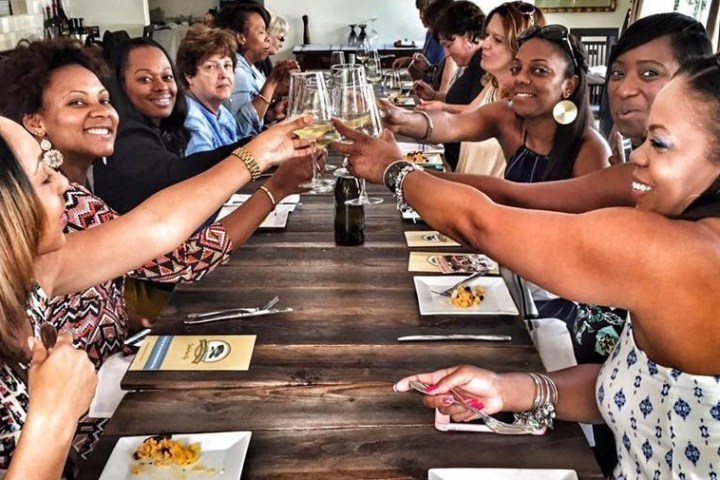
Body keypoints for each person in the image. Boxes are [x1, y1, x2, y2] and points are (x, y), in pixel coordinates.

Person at [341, 52, 720, 480]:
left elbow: (483, 224)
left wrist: (393, 171)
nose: (637, 157)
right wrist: (509, 390)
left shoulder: (686, 254)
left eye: (661, 143)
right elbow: (636, 388)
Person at [0, 37, 317, 462]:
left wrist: (259, 155)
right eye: (44, 174)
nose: (61, 184)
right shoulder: (66, 220)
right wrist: (54, 420)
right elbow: (177, 252)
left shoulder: (35, 277)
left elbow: (156, 226)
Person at [383, 24, 610, 179]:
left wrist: (401, 174)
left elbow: (526, 204)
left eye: (539, 70)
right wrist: (398, 118)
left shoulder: (592, 152)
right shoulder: (506, 116)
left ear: (569, 85)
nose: (520, 78)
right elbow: (452, 124)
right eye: (516, 68)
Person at [454, 1, 545, 177]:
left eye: (497, 40)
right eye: (486, 35)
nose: (485, 44)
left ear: (519, 48)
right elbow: (460, 122)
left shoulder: (524, 104)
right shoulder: (493, 84)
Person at [409, 0, 486, 169]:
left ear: (468, 36)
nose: (447, 53)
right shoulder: (473, 63)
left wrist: (442, 107)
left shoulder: (482, 63)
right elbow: (464, 100)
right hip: (453, 152)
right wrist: (434, 96)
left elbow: (479, 112)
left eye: (449, 45)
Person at [214, 3, 298, 137]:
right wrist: (272, 81)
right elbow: (240, 129)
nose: (268, 38)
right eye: (262, 32)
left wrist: (272, 111)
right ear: (241, 38)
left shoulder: (248, 66)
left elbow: (252, 110)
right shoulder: (237, 71)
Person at [176, 24, 241, 155]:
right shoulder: (190, 120)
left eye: (227, 65)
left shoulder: (220, 110)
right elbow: (206, 171)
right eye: (211, 67)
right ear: (189, 75)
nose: (224, 74)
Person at [392, 0, 446, 85]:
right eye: (419, 11)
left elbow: (441, 82)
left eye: (423, 11)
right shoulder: (429, 33)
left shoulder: (446, 40)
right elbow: (428, 67)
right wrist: (408, 61)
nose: (420, 16)